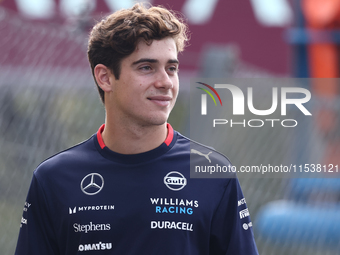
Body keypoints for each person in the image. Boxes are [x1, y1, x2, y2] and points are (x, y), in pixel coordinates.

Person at [15, 3, 258, 255]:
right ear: (105, 77)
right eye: (146, 67)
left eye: (171, 68)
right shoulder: (53, 179)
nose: (165, 82)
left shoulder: (214, 173)